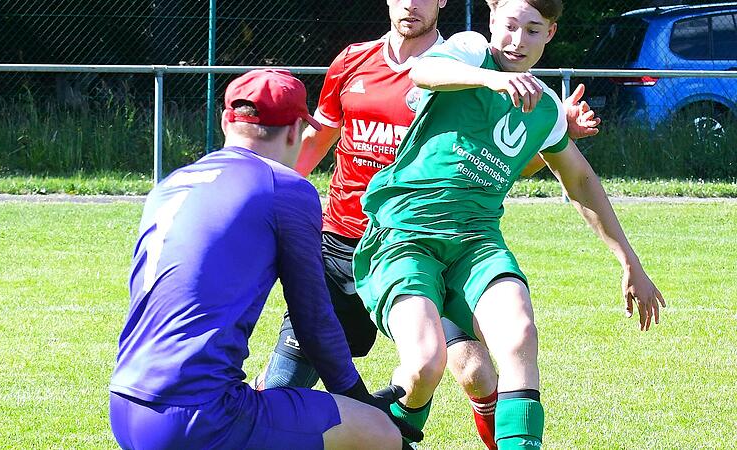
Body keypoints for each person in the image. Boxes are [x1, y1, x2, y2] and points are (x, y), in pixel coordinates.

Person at [253, 1, 601, 449]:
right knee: (286, 381)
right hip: (344, 245)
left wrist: (555, 134)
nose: (412, 4)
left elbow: (496, 164)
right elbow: (316, 141)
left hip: (428, 246)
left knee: (474, 371)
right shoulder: (353, 61)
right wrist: (264, 199)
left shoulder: (465, 62)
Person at [352, 0, 666, 449]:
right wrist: (491, 79)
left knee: (518, 335)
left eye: (533, 30)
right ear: (492, 21)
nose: (518, 41)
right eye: (510, 26)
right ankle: (385, 429)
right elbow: (422, 72)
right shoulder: (470, 52)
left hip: (476, 243)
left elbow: (578, 178)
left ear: (551, 33)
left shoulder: (546, 109)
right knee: (424, 365)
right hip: (405, 234)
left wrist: (629, 262)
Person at [108, 69, 423, 450]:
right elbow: (314, 319)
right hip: (198, 414)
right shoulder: (285, 187)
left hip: (124, 403)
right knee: (380, 434)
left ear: (226, 120)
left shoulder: (171, 184)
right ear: (295, 131)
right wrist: (360, 399)